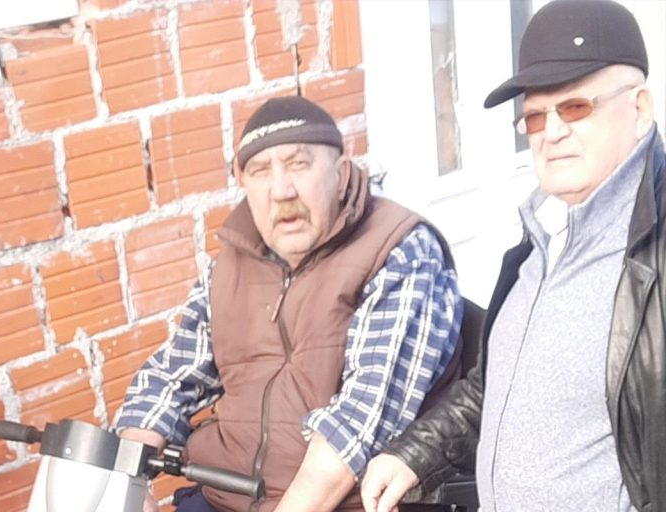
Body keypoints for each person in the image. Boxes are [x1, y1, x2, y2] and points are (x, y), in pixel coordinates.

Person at [360, 0, 665, 511]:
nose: (552, 131)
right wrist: (415, 454)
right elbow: (498, 384)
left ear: (640, 109)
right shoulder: (541, 235)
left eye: (575, 107)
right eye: (535, 116)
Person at [115, 95, 464, 511]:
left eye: (298, 164)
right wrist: (126, 481)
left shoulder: (399, 250)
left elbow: (358, 425)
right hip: (226, 494)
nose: (281, 191)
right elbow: (171, 376)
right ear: (243, 183)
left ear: (340, 173)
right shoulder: (229, 266)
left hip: (338, 503)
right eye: (261, 171)